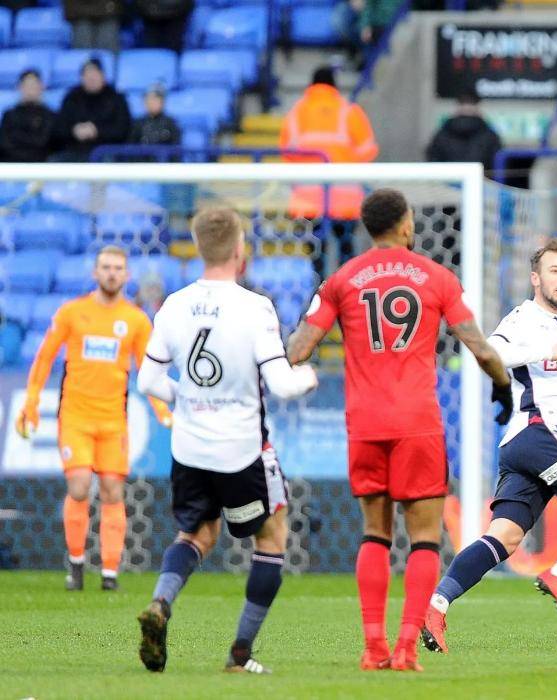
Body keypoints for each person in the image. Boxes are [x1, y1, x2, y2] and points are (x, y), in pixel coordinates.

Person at [285, 188, 513, 672]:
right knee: (425, 539)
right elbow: (481, 347)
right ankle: (407, 648)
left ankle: (373, 647)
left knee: (375, 532)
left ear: (368, 227)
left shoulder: (341, 279)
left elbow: (299, 348)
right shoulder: (438, 278)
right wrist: (503, 387)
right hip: (417, 424)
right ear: (407, 223)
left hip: (364, 423)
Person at [420, 237, 557, 656]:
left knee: (503, 537)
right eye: (555, 271)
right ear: (536, 278)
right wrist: (543, 349)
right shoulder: (522, 318)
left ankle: (436, 606)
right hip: (536, 430)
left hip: (532, 445)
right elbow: (492, 353)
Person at [135, 208, 319, 674]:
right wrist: (308, 377)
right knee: (272, 537)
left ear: (199, 248)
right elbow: (280, 383)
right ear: (240, 252)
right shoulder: (254, 307)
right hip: (240, 452)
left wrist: (190, 399)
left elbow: (148, 381)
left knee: (196, 532)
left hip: (189, 450)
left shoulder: (173, 304)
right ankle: (240, 654)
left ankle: (160, 601)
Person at [15, 246, 173, 592]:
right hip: (75, 416)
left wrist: (162, 408)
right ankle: (75, 565)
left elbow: (148, 370)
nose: (112, 273)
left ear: (126, 275)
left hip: (113, 419)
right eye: (106, 267)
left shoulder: (134, 320)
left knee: (114, 490)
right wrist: (30, 401)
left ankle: (110, 573)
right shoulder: (73, 313)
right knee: (80, 485)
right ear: (95, 272)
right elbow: (44, 357)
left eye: (118, 267)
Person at [280, 66, 379, 273]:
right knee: (346, 252)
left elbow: (287, 152)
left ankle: (319, 296)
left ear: (311, 85)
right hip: (345, 200)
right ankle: (347, 299)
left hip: (308, 201)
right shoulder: (349, 111)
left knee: (316, 254)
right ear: (334, 85)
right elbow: (368, 151)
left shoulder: (297, 113)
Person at [53, 58, 131, 162]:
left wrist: (97, 131)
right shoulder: (71, 97)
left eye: (95, 73)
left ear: (103, 76)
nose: (91, 78)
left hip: (106, 151)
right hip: (74, 150)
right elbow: (59, 128)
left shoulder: (116, 98)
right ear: (81, 77)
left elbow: (122, 129)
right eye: (87, 74)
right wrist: (74, 131)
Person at [425, 92, 503, 174]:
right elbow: (497, 165)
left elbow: (433, 161)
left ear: (458, 107)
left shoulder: (442, 134)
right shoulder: (490, 135)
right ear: (477, 107)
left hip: (447, 183)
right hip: (482, 184)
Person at [0, 69, 56, 162]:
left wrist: (18, 138)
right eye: (27, 85)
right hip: (11, 162)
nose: (30, 89)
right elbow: (4, 143)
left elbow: (44, 142)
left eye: (34, 85)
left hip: (41, 164)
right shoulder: (9, 115)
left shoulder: (50, 115)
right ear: (19, 87)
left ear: (41, 87)